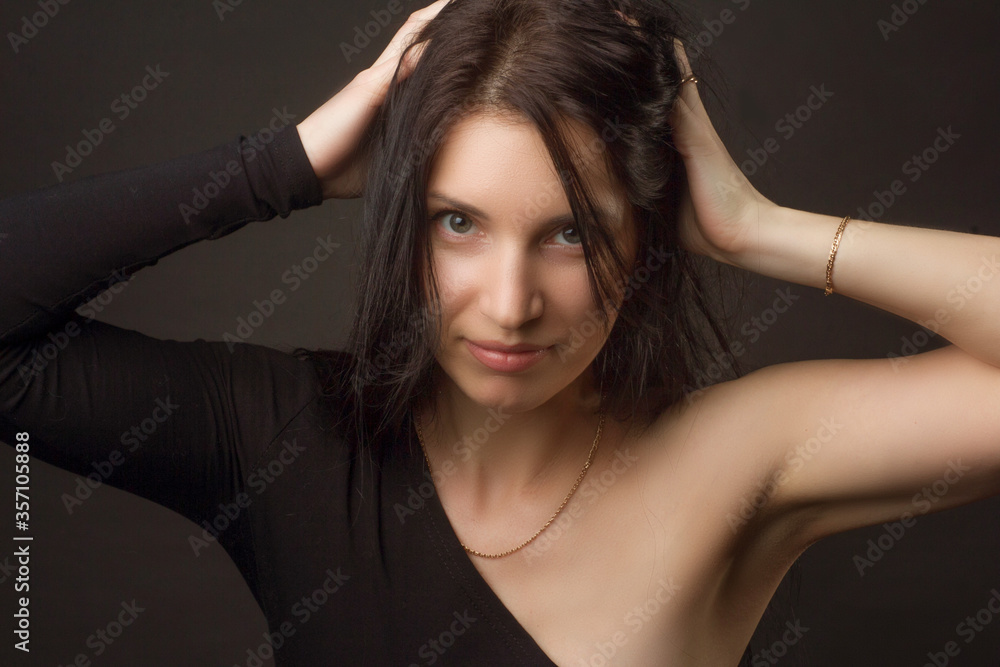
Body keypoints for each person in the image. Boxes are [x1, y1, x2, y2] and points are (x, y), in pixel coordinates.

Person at [1, 0, 999, 665]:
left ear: (644, 233)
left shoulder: (739, 458)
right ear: (402, 220)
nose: (511, 302)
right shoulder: (281, 439)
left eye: (571, 232)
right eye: (457, 223)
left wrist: (755, 227)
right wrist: (284, 165)